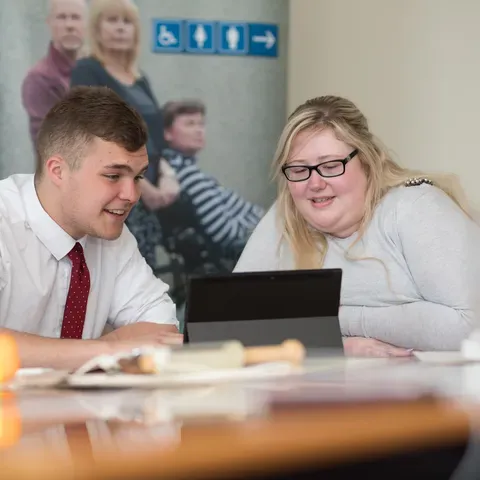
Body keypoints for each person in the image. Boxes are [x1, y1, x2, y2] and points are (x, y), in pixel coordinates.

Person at [234, 95, 480, 356]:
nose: (315, 183)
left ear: (367, 160)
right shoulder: (286, 215)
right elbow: (229, 321)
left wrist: (333, 320)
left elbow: (469, 325)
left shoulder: (416, 207)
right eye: (298, 170)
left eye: (331, 166)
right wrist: (340, 345)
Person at [0, 86, 181, 371]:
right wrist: (108, 350)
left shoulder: (111, 233)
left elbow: (163, 331)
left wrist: (94, 353)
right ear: (58, 170)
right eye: (113, 176)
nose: (132, 195)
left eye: (138, 177)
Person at [70, 0, 179, 271]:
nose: (120, 28)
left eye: (126, 22)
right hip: (113, 191)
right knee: (116, 276)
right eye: (112, 20)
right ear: (97, 29)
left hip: (148, 187)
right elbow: (96, 135)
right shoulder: (87, 70)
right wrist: (143, 186)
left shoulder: (139, 78)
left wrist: (167, 175)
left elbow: (156, 139)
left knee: (143, 275)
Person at [159, 100, 266, 263]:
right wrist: (264, 225)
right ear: (167, 133)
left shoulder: (183, 170)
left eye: (201, 124)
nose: (199, 130)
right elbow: (226, 233)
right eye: (190, 124)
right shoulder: (185, 174)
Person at [21, 0, 87, 147]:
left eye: (75, 17)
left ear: (86, 24)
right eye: (62, 17)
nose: (69, 25)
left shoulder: (96, 69)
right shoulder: (40, 78)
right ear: (49, 23)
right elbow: (50, 143)